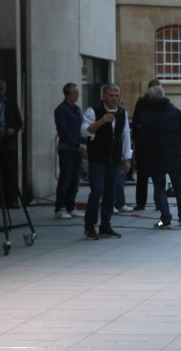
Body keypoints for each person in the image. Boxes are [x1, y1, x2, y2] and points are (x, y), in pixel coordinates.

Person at [134, 84, 181, 228]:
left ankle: (165, 219)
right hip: (175, 155)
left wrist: (143, 154)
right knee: (179, 186)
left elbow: (142, 139)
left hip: (154, 157)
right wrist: (179, 147)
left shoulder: (146, 115)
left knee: (159, 187)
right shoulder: (177, 112)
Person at [81, 83, 132, 240]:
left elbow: (125, 136)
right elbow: (85, 130)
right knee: (97, 191)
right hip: (98, 158)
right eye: (111, 95)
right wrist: (101, 121)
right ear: (104, 96)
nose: (114, 98)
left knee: (111, 193)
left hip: (114, 159)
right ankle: (89, 226)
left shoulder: (122, 113)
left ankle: (105, 226)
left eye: (117, 96)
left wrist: (127, 158)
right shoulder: (93, 111)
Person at [53, 83, 86, 220]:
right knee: (65, 178)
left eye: (77, 92)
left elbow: (81, 128)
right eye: (74, 93)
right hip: (67, 148)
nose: (77, 95)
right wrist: (77, 143)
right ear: (67, 94)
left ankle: (71, 206)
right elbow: (63, 131)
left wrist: (84, 142)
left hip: (78, 148)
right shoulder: (61, 110)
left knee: (74, 179)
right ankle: (60, 207)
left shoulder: (77, 109)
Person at [0, 79, 24, 208]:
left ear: (5, 90)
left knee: (9, 171)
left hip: (9, 142)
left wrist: (13, 130)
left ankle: (10, 200)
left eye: (1, 89)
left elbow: (19, 123)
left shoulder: (11, 103)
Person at [130, 78, 161, 211]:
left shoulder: (141, 102)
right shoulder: (159, 103)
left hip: (143, 144)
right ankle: (159, 203)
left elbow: (135, 122)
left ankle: (141, 202)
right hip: (155, 144)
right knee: (157, 177)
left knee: (142, 176)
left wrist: (137, 140)